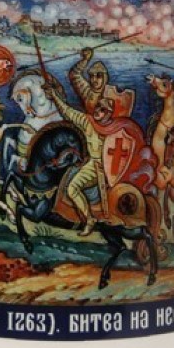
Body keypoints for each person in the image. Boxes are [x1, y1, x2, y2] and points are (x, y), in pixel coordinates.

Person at [42, 82, 114, 236]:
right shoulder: (88, 122)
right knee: (71, 188)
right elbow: (68, 112)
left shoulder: (115, 129)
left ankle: (91, 220)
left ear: (108, 114)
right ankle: (89, 219)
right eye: (98, 107)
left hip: (107, 169)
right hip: (93, 165)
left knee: (72, 187)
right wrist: (54, 95)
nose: (98, 111)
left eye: (102, 110)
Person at [70, 47, 135, 117]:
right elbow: (74, 74)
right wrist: (85, 60)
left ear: (104, 77)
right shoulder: (86, 91)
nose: (94, 79)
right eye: (91, 76)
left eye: (99, 76)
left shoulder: (110, 93)